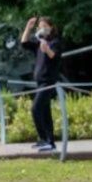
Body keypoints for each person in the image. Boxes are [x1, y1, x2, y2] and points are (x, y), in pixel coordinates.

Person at [20, 16, 63, 152]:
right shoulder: (39, 44)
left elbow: (54, 57)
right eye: (40, 27)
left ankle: (46, 140)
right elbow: (24, 43)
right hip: (39, 83)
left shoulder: (55, 42)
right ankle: (48, 142)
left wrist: (47, 49)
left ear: (51, 27)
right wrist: (28, 27)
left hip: (48, 82)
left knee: (35, 109)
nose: (42, 28)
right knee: (45, 112)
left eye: (45, 26)